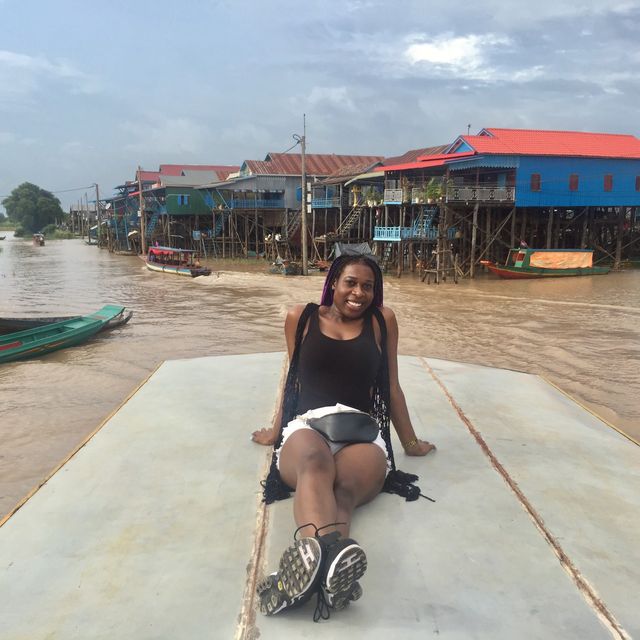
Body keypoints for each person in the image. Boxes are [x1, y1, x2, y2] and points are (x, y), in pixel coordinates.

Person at [251, 254, 435, 621]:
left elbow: (391, 386)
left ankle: (302, 576)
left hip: (362, 431)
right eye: (351, 282)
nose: (359, 293)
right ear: (333, 282)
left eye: (368, 286)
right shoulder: (299, 318)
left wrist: (410, 442)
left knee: (344, 491)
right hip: (308, 426)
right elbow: (293, 383)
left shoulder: (383, 321)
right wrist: (276, 431)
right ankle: (330, 566)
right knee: (314, 466)